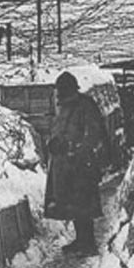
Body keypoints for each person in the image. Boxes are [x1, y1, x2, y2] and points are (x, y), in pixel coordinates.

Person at [44, 71, 109, 257]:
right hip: (66, 166)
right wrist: (54, 143)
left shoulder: (85, 105)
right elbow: (60, 130)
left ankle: (89, 244)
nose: (59, 94)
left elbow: (93, 134)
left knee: (83, 204)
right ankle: (81, 240)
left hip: (82, 165)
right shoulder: (63, 107)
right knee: (72, 204)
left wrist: (75, 150)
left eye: (61, 91)